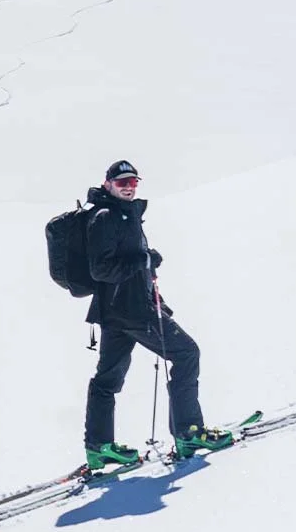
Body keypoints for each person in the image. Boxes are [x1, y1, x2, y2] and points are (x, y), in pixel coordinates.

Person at [84, 160, 233, 464]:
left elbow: (130, 266)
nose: (128, 187)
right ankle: (189, 432)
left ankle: (98, 448)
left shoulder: (123, 215)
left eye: (133, 182)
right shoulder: (105, 217)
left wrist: (152, 282)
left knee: (106, 380)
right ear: (108, 184)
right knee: (187, 353)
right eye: (122, 182)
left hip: (116, 311)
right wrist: (143, 261)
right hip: (132, 311)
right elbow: (101, 270)